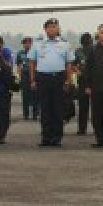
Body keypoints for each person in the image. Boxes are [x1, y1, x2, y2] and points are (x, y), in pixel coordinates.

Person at [29, 18, 74, 147]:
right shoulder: (38, 43)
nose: (53, 29)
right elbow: (32, 63)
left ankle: (57, 137)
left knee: (58, 109)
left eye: (55, 26)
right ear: (45, 29)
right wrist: (32, 80)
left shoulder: (65, 44)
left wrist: (68, 80)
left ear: (58, 28)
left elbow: (68, 64)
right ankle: (46, 137)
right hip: (43, 78)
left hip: (59, 78)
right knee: (45, 109)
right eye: (50, 27)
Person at [16, 36, 40, 121]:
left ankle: (35, 114)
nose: (27, 45)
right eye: (25, 43)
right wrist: (19, 76)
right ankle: (26, 114)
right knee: (25, 95)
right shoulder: (20, 53)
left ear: (32, 44)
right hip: (24, 75)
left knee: (35, 95)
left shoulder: (36, 52)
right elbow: (18, 65)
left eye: (29, 43)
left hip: (34, 75)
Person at [74, 32, 93, 135]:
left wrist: (77, 70)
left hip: (88, 80)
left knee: (84, 106)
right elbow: (73, 64)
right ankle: (88, 128)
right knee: (89, 106)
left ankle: (83, 129)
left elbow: (73, 64)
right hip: (87, 80)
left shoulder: (93, 50)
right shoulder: (79, 51)